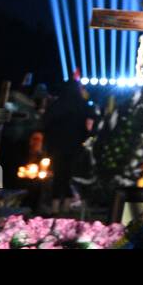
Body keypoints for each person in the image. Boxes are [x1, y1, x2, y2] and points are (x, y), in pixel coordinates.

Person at [42, 78, 92, 215]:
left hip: (57, 146)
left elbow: (46, 123)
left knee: (59, 175)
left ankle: (55, 207)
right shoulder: (82, 105)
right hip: (75, 146)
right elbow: (89, 125)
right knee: (71, 175)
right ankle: (67, 205)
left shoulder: (57, 104)